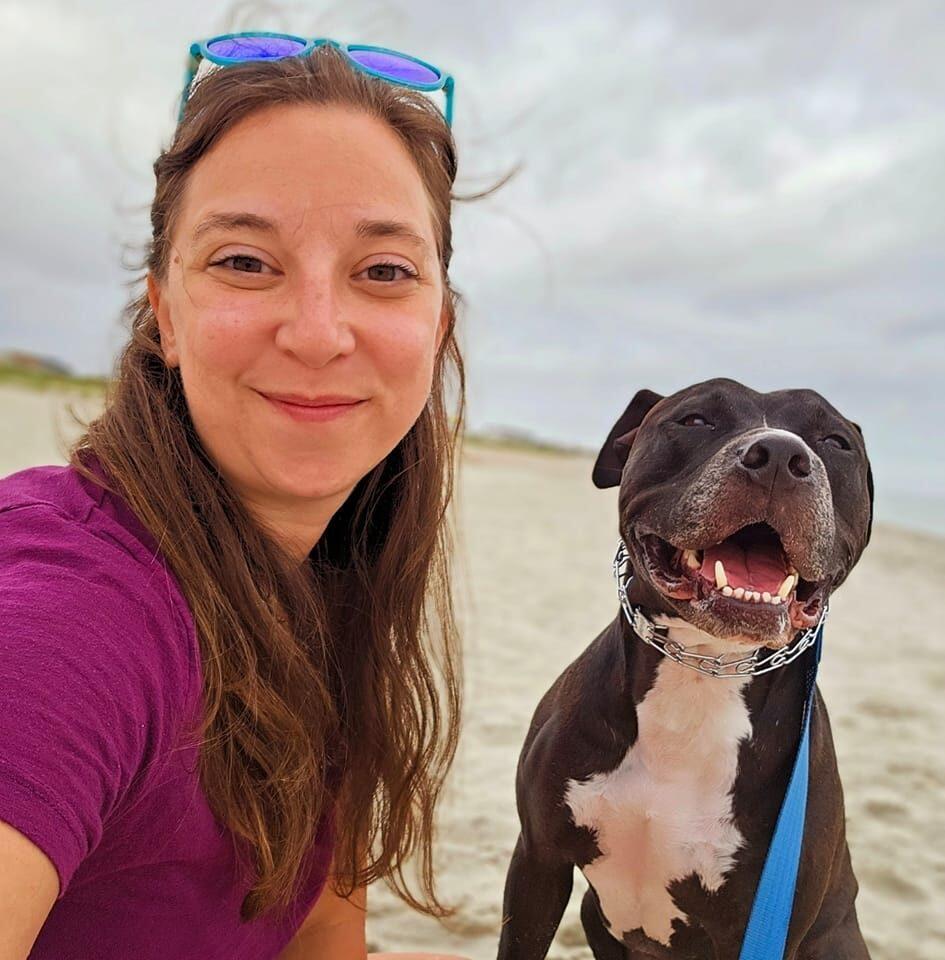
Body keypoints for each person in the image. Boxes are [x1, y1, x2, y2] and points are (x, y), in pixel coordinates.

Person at [0, 33, 472, 960]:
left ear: (436, 323)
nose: (318, 332)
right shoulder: (70, 622)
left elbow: (322, 937)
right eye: (245, 262)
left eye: (383, 272)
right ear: (164, 314)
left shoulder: (324, 591)